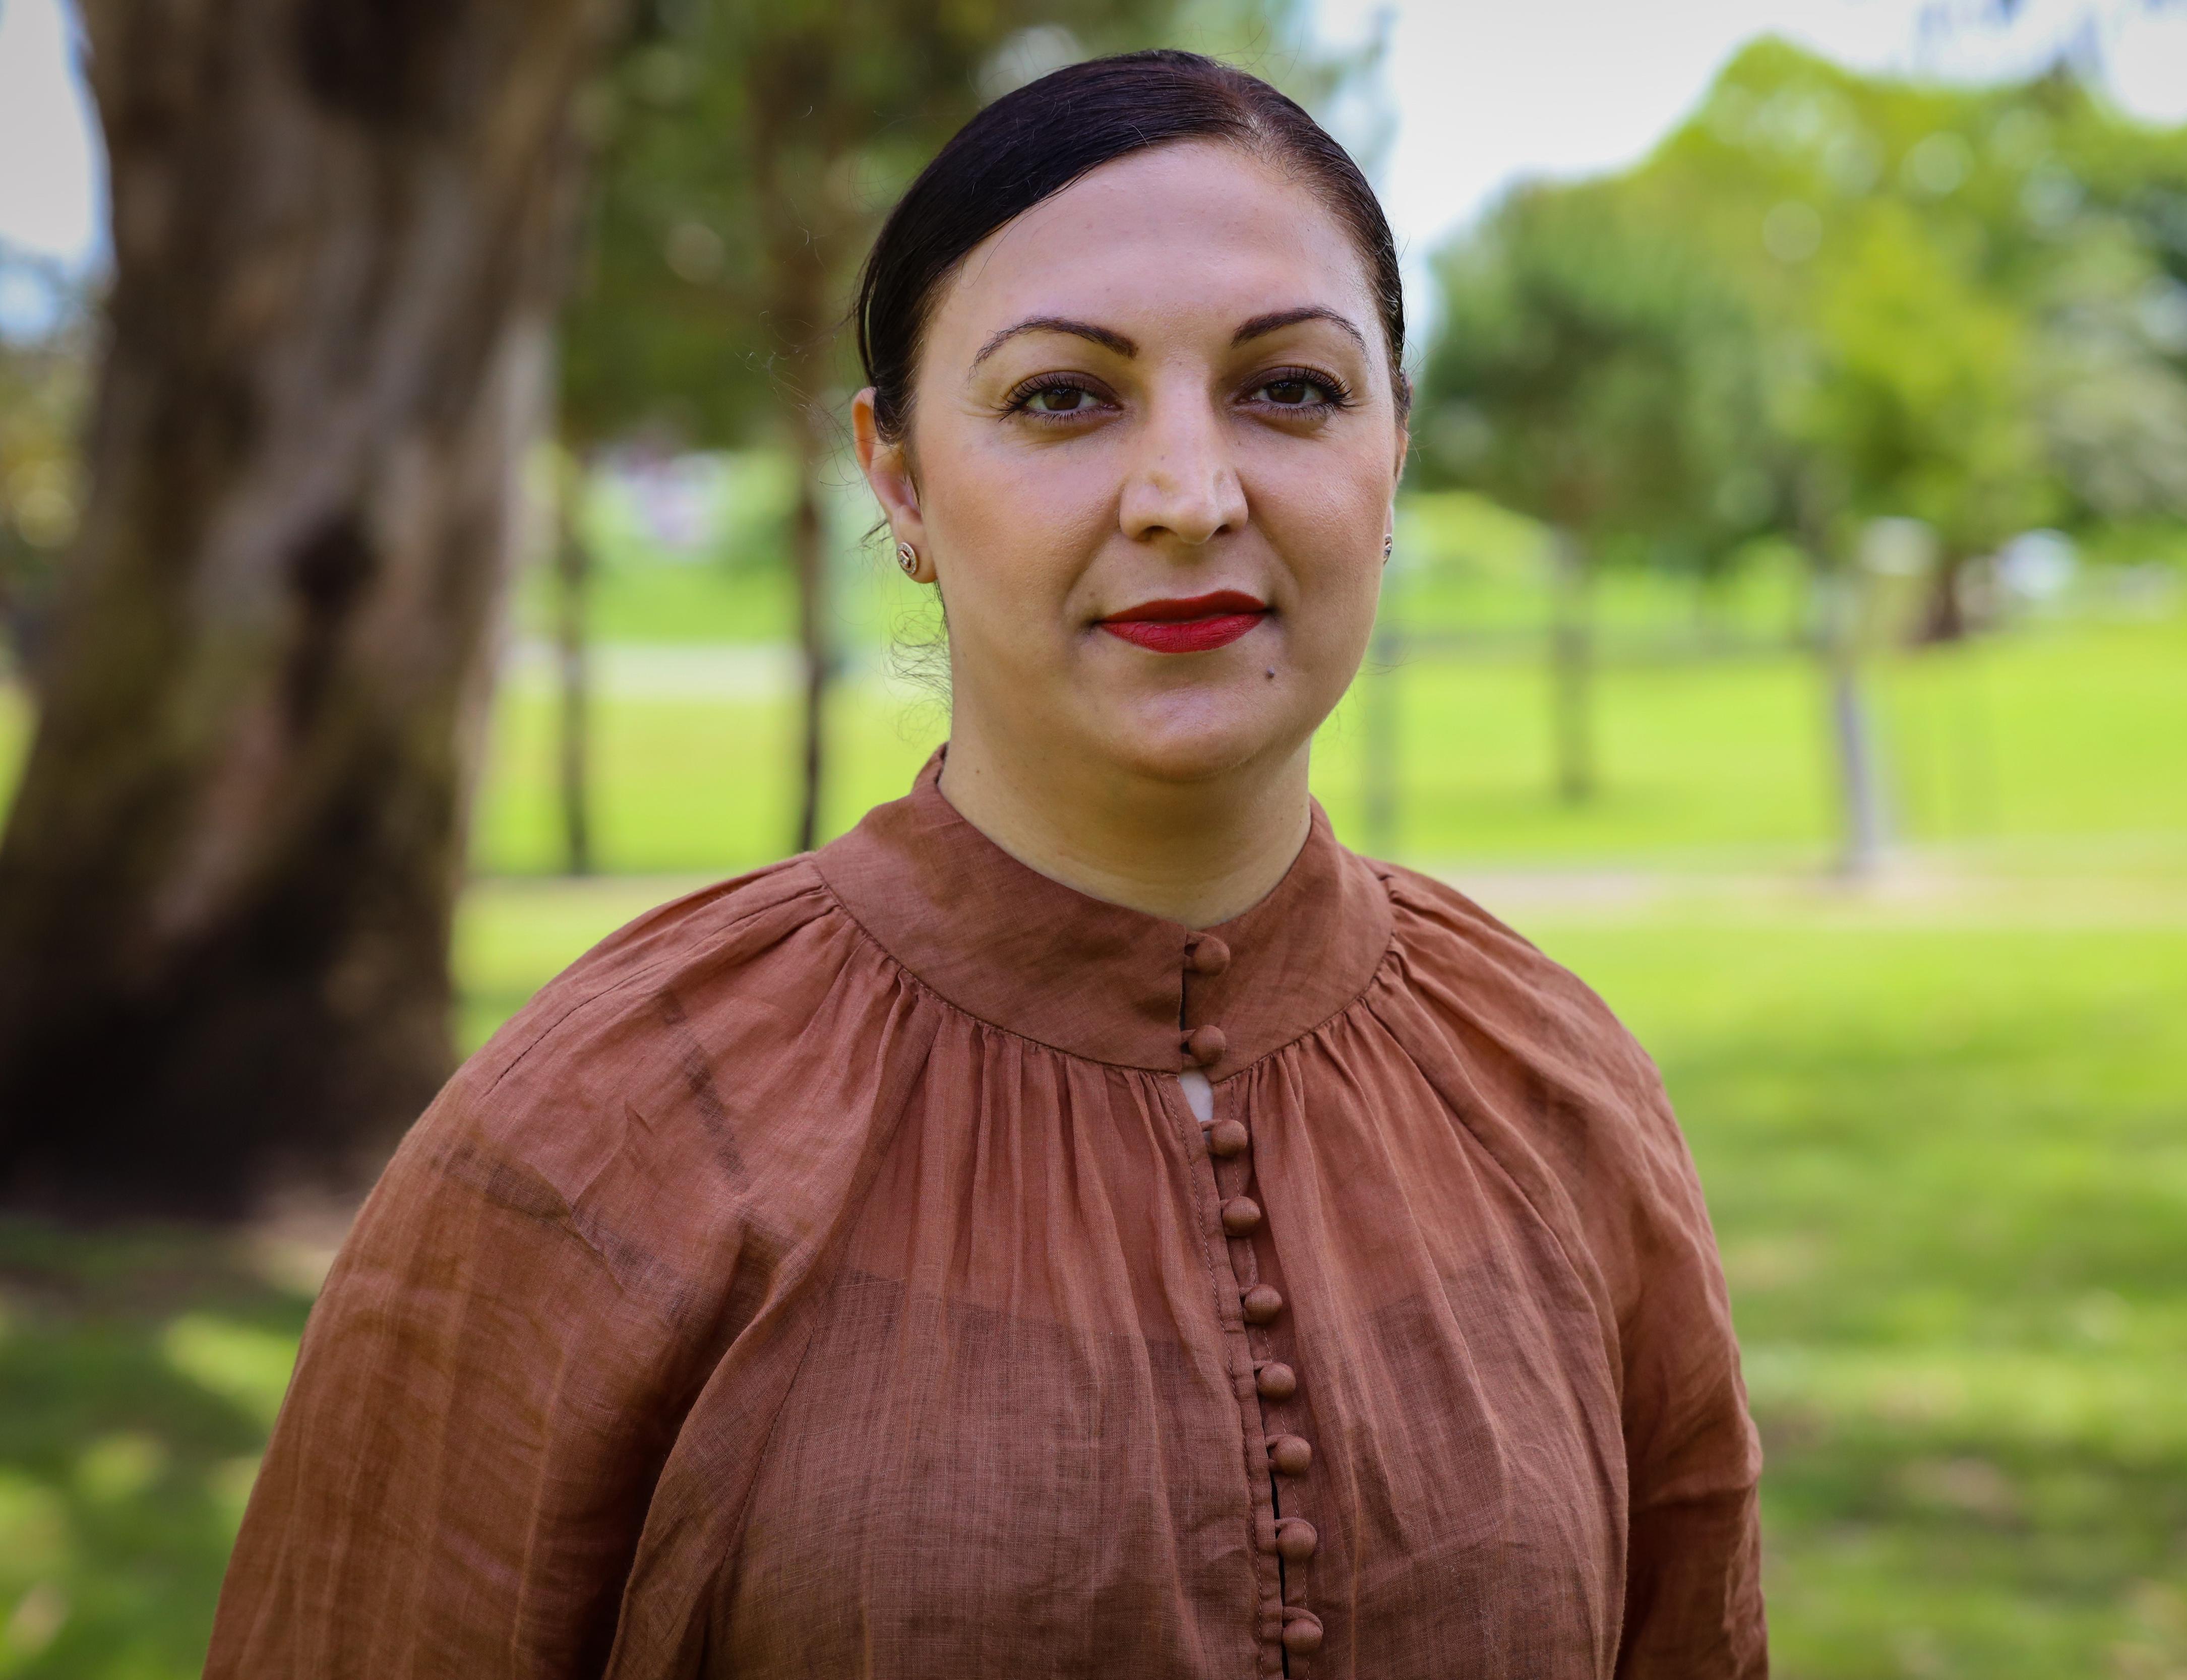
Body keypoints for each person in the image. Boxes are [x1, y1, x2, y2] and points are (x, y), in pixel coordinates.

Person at [207, 49, 1765, 1679]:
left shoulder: (1557, 1091)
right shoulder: (604, 1131)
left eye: (1292, 389)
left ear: (1395, 456)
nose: (1188, 496)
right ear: (900, 482)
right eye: (1062, 397)